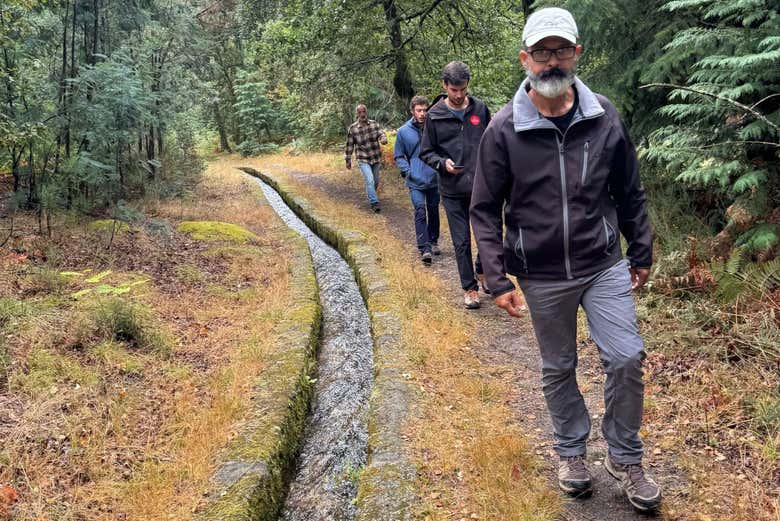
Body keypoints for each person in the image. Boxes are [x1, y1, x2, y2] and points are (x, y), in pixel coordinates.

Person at [470, 7, 662, 513]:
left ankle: (624, 457)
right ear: (525, 59)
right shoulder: (504, 128)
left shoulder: (604, 115)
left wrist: (640, 248)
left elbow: (629, 191)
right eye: (541, 53)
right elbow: (484, 209)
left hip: (603, 262)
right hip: (541, 273)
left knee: (625, 356)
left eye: (560, 51)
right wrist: (496, 277)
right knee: (559, 365)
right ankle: (572, 453)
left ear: (577, 53)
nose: (550, 62)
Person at [420, 61, 491, 309]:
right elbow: (426, 152)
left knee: (486, 236)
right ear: (445, 85)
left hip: (481, 186)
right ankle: (470, 288)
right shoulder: (434, 115)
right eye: (454, 90)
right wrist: (442, 163)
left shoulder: (480, 109)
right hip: (451, 190)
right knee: (461, 241)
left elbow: (493, 143)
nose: (459, 95)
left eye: (463, 89)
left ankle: (483, 271)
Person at [394, 95, 441, 265]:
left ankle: (434, 240)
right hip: (415, 180)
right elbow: (398, 155)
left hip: (434, 178)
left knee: (434, 209)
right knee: (420, 211)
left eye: (425, 110)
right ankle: (424, 248)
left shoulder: (434, 127)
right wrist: (408, 171)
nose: (422, 113)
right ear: (412, 111)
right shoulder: (403, 132)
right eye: (419, 110)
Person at [345, 104, 388, 212]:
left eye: (364, 111)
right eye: (360, 112)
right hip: (362, 158)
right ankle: (374, 203)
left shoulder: (374, 124)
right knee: (370, 180)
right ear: (357, 114)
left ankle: (371, 193)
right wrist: (348, 160)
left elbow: (381, 133)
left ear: (366, 112)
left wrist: (383, 139)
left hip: (376, 156)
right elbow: (350, 145)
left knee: (375, 181)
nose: (362, 114)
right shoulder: (353, 128)